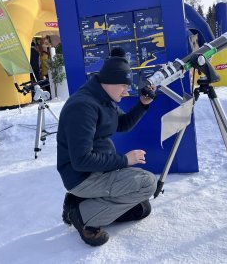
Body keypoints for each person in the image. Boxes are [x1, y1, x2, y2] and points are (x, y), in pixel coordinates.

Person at [57, 47, 157, 246]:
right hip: (83, 176)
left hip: (99, 171)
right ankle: (82, 216)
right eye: (123, 86)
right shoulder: (83, 107)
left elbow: (122, 124)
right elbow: (81, 160)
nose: (126, 91)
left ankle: (77, 201)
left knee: (142, 208)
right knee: (147, 183)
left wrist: (143, 104)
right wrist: (124, 160)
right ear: (110, 81)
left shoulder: (103, 98)